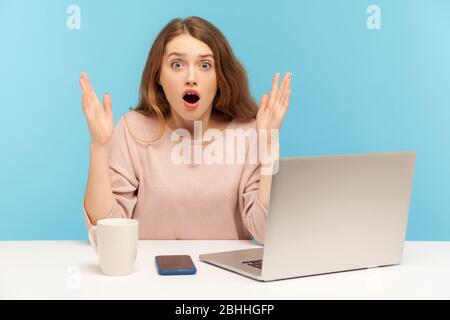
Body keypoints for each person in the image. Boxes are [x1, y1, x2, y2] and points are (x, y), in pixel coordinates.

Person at [79, 16, 291, 244]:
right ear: (158, 75)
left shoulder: (249, 134)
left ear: (220, 78)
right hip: (150, 276)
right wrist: (99, 147)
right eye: (177, 64)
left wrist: (269, 145)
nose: (191, 78)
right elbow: (106, 233)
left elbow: (266, 232)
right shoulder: (133, 129)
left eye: (205, 65)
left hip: (227, 278)